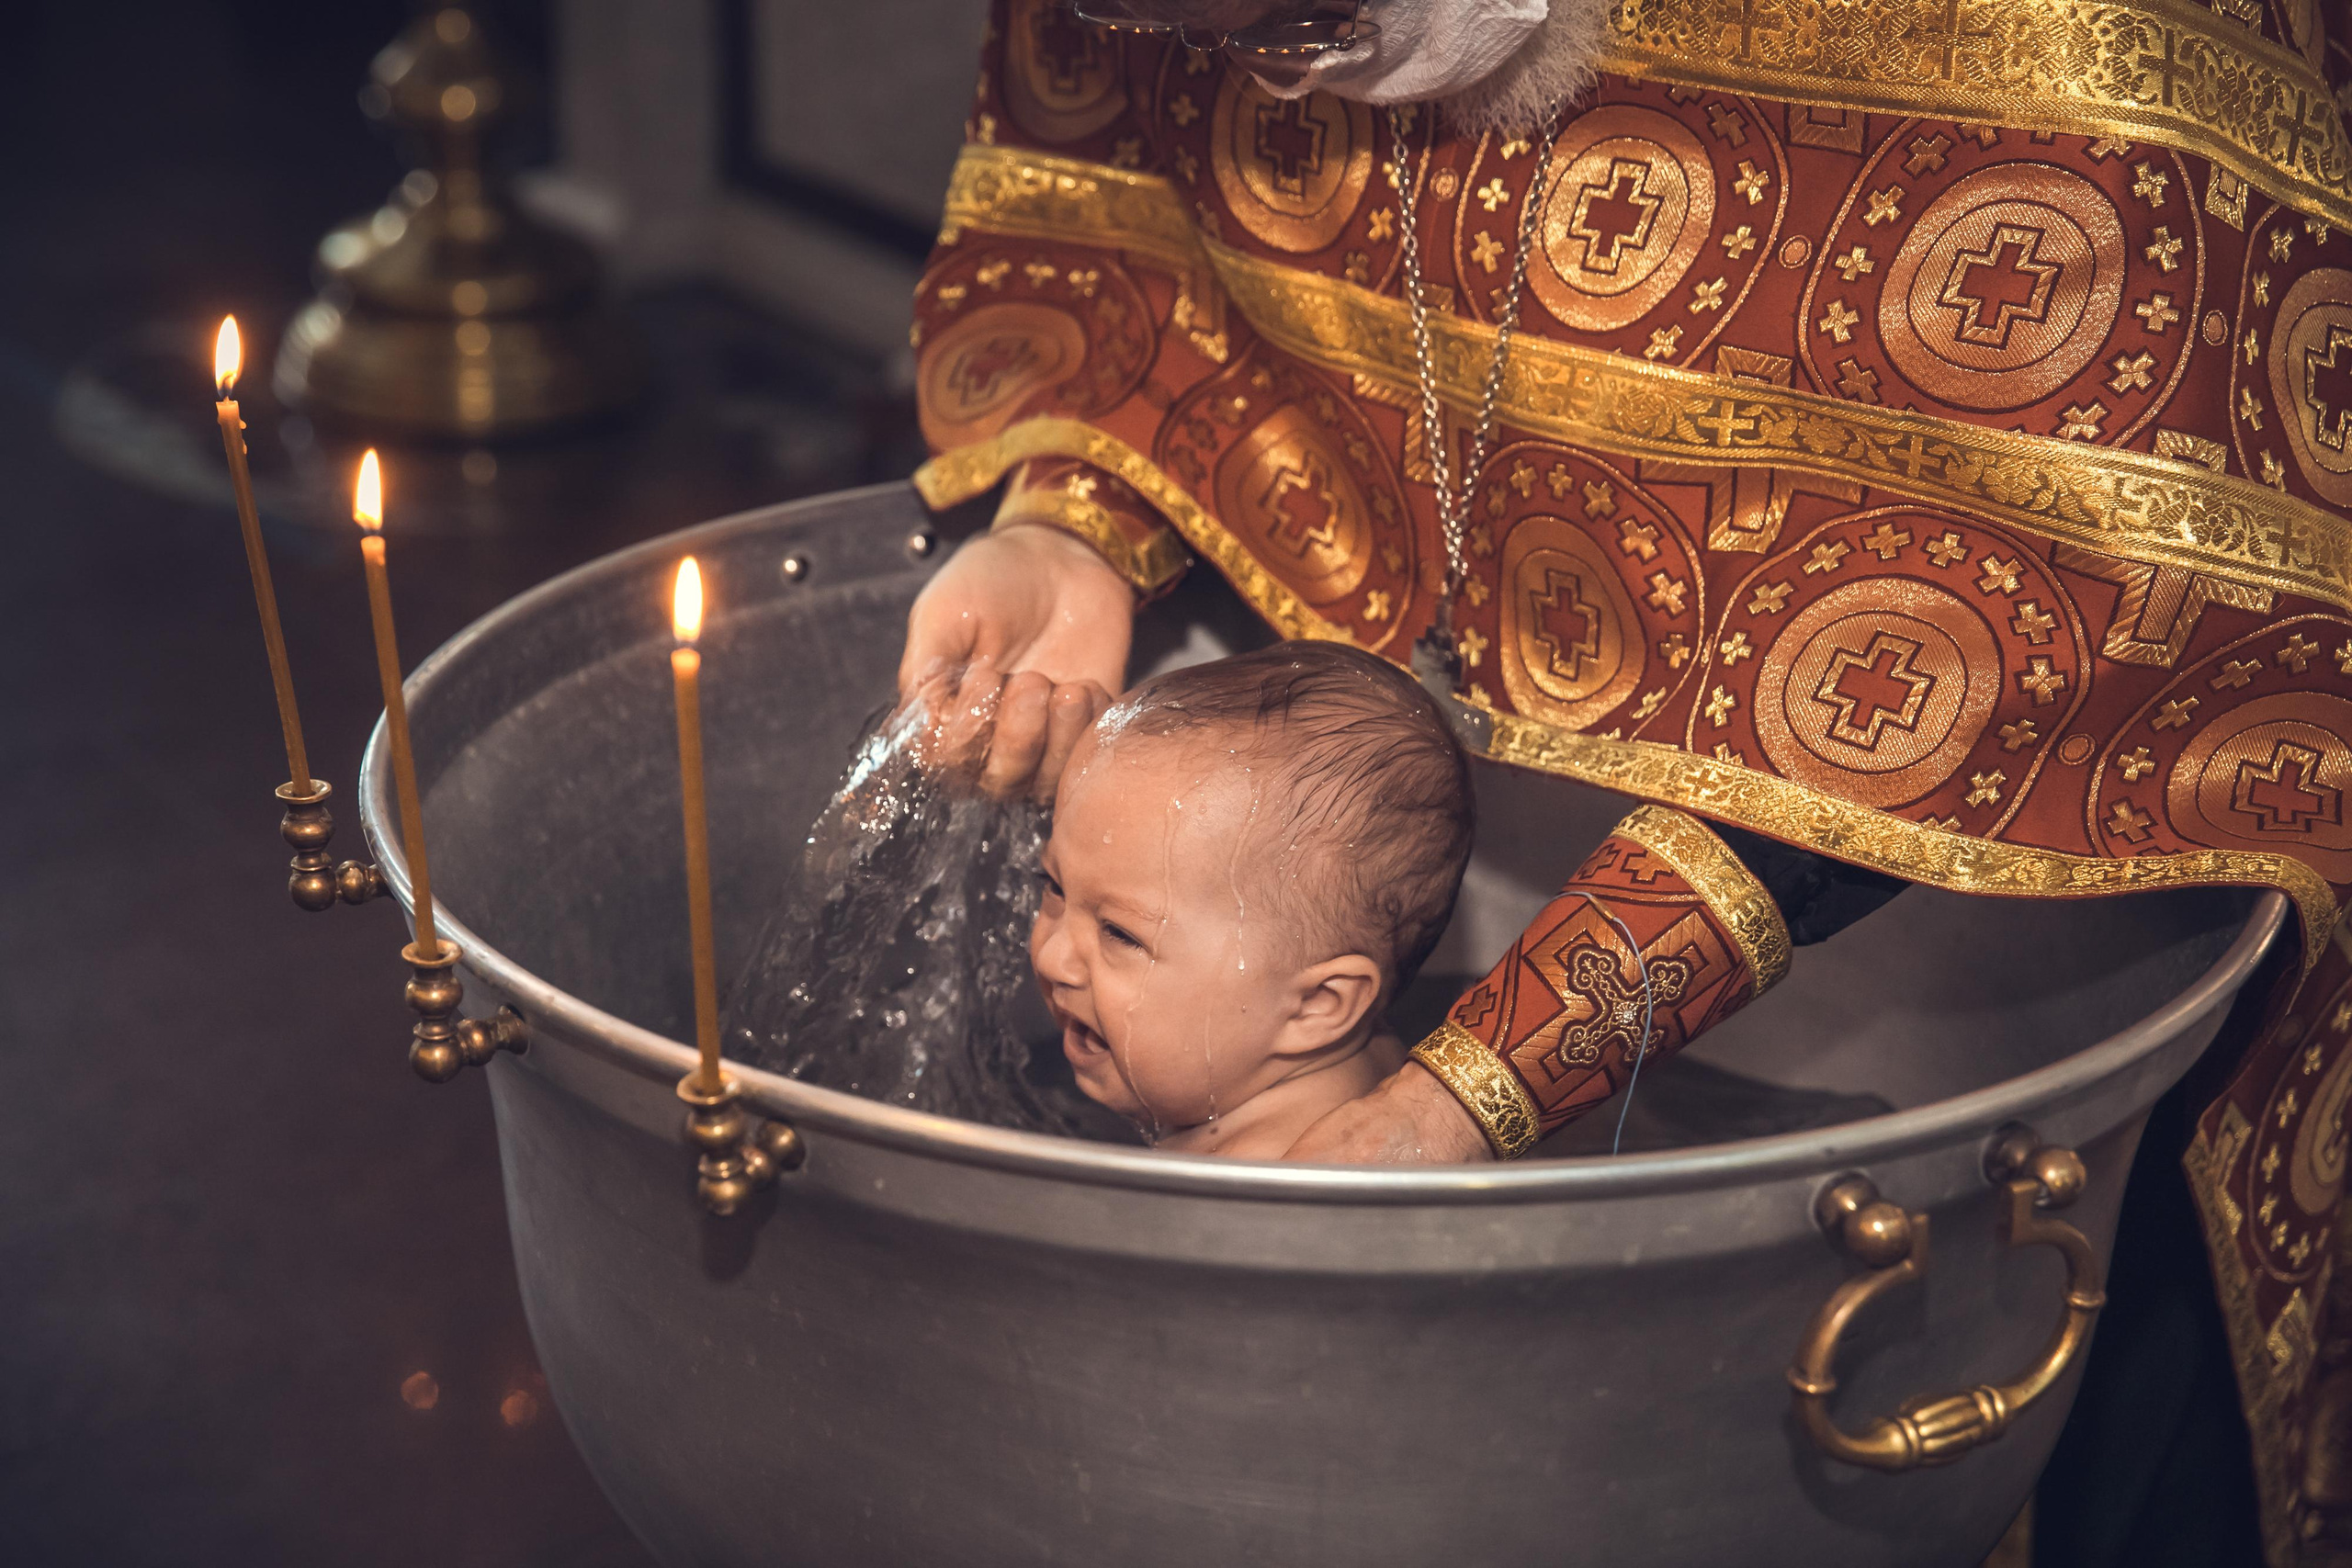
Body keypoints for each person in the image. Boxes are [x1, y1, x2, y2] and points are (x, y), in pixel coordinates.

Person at [896, 0, 2352, 1556]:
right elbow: (1133, 209)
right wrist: (1075, 512)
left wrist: (1466, 1095)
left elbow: (2032, 609)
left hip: (1994, 901)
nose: (1263, 71)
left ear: (1330, 1000)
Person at [1030, 640, 1466, 1156]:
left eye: (1120, 934)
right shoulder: (1374, 1072)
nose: (1052, 957)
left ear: (1315, 1005)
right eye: (1055, 887)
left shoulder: (1247, 1188)